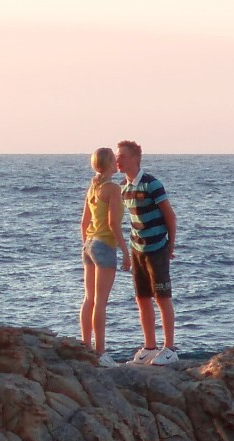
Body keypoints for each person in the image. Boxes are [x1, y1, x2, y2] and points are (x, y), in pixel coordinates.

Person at [116, 140, 179, 365]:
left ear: (135, 158)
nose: (118, 160)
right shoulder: (123, 187)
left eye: (122, 156)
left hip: (156, 248)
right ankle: (149, 346)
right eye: (117, 156)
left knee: (162, 297)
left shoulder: (152, 184)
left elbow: (170, 216)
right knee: (142, 297)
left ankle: (169, 348)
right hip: (137, 248)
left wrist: (170, 245)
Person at [79, 147, 130, 365]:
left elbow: (83, 223)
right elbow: (113, 224)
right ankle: (101, 353)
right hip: (104, 245)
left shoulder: (93, 188)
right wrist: (126, 252)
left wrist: (87, 244)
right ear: (110, 164)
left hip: (89, 243)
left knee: (89, 299)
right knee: (101, 302)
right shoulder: (112, 189)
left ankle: (85, 347)